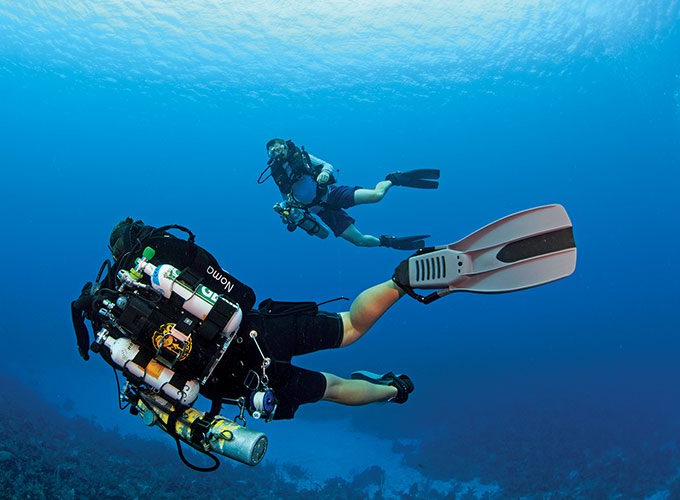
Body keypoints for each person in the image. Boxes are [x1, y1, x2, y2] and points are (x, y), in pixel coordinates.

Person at [74, 205, 576, 424]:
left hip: (235, 388)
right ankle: (400, 282)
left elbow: (153, 394)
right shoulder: (165, 253)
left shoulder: (110, 319)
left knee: (334, 389)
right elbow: (238, 292)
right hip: (255, 333)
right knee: (349, 328)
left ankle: (393, 390)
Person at [258, 138, 441, 250]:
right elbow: (286, 197)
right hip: (321, 211)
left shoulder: (301, 156)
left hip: (333, 193)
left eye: (279, 147)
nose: (276, 151)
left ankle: (393, 179)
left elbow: (327, 165)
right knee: (359, 241)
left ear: (286, 147)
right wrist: (286, 211)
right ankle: (388, 242)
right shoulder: (277, 174)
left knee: (377, 196)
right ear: (269, 154)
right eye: (272, 150)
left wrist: (325, 173)